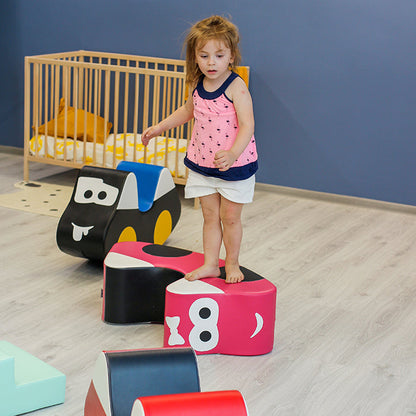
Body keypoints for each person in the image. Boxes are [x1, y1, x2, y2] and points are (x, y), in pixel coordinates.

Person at [141, 15, 258, 283]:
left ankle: (232, 264)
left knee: (229, 218)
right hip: (203, 162)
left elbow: (248, 125)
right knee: (209, 216)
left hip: (234, 166)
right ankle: (209, 264)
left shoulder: (236, 86)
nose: (211, 62)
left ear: (231, 56)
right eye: (204, 56)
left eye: (218, 55)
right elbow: (187, 111)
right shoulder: (196, 83)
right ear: (195, 56)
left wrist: (232, 154)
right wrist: (159, 127)